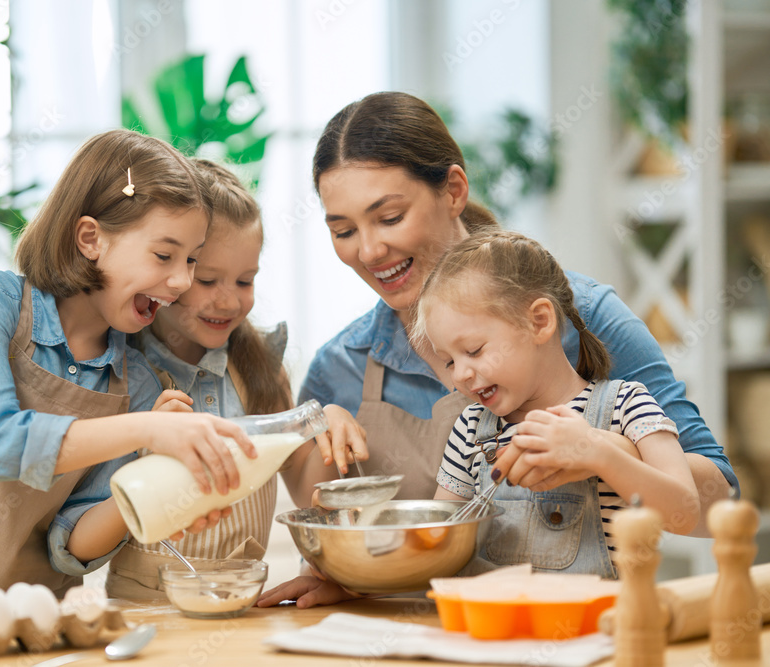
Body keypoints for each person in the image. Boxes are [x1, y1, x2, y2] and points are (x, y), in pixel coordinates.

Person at [259, 91, 737, 608]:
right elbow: (365, 532)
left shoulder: (585, 315)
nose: (370, 250)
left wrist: (604, 453)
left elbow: (714, 508)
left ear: (454, 190)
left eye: (390, 217)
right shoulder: (341, 367)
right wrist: (349, 574)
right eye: (345, 230)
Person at [0, 130, 256, 599]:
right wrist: (146, 431)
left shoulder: (140, 388)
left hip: (35, 620)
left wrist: (157, 498)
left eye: (192, 260)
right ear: (90, 238)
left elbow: (68, 543)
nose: (181, 281)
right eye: (164, 255)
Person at [91, 158, 366, 599]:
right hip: (144, 608)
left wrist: (325, 427)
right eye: (207, 279)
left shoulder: (259, 370)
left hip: (241, 603)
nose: (228, 300)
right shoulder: (121, 372)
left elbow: (307, 486)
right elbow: (86, 528)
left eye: (245, 280)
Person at [421, 230, 699, 577]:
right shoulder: (470, 428)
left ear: (539, 321)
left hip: (600, 626)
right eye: (449, 361)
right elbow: (439, 540)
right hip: (495, 627)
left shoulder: (626, 405)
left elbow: (684, 513)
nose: (459, 375)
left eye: (474, 350)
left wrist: (599, 453)